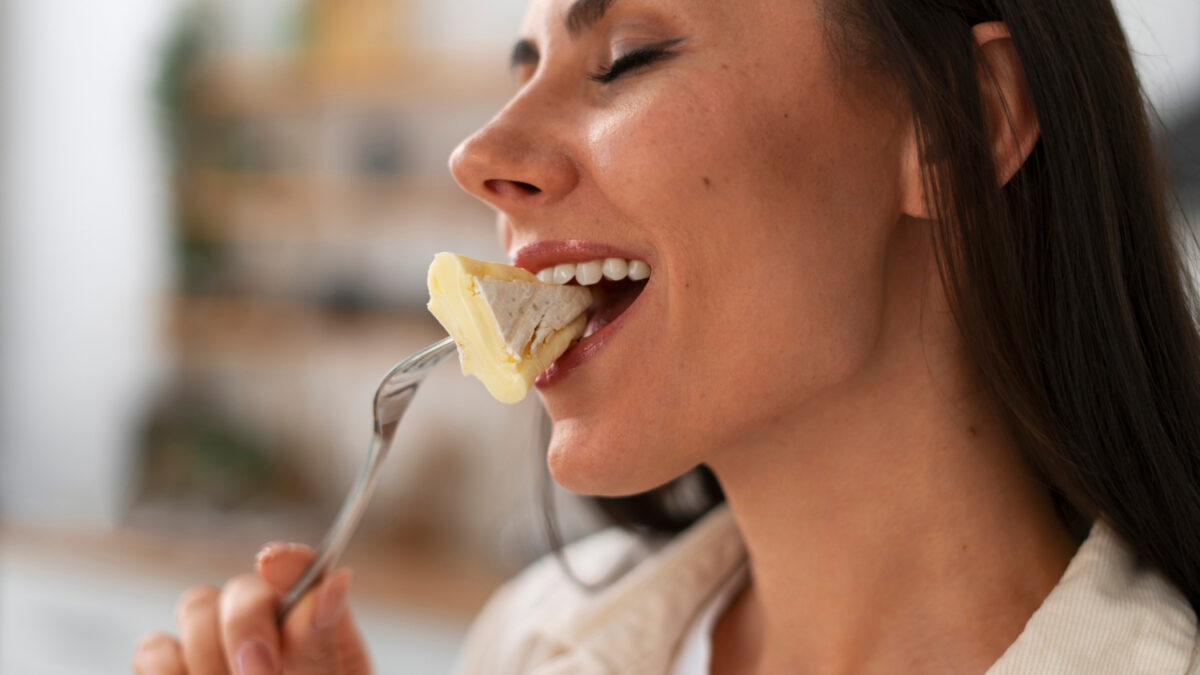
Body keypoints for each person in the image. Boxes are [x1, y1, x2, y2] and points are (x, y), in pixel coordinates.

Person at [134, 0, 1200, 672]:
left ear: (960, 124)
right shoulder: (530, 644)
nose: (479, 156)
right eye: (520, 71)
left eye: (628, 57)